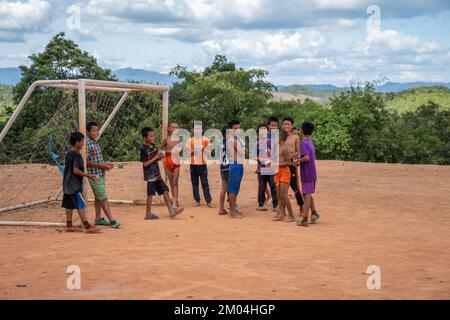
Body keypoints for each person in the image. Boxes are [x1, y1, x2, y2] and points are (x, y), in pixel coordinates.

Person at [140, 127, 184, 220]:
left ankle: (171, 211)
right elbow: (145, 163)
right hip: (150, 175)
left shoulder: (153, 146)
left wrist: (161, 156)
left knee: (165, 189)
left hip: (157, 173)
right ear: (145, 137)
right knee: (150, 194)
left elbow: (157, 157)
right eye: (151, 136)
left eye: (153, 136)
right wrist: (156, 157)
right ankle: (148, 214)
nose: (153, 138)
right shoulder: (143, 148)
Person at [62, 132, 99, 233]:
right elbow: (76, 170)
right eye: (82, 141)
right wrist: (89, 175)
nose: (83, 143)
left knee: (69, 204)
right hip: (74, 185)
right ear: (77, 142)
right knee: (80, 204)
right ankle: (87, 226)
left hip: (66, 184)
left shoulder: (69, 153)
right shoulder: (77, 154)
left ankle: (69, 225)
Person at [85, 122, 120, 228]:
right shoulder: (87, 143)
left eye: (97, 130)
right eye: (94, 131)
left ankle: (98, 218)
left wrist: (105, 164)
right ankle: (112, 220)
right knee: (103, 196)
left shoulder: (95, 142)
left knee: (98, 197)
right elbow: (85, 161)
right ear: (88, 132)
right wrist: (101, 166)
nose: (96, 132)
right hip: (93, 175)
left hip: (100, 173)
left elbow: (96, 159)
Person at [297, 121, 320, 227]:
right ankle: (314, 212)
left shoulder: (304, 143)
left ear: (301, 131)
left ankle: (305, 219)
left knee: (306, 195)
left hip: (307, 172)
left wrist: (296, 161)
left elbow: (306, 157)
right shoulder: (310, 142)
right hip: (311, 172)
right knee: (307, 193)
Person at [186, 122, 214, 207]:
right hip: (193, 164)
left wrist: (203, 149)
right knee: (194, 183)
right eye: (195, 129)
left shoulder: (205, 140)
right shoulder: (190, 140)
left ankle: (208, 201)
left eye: (199, 129)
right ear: (192, 130)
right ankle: (197, 200)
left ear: (202, 130)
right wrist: (195, 150)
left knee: (204, 182)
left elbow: (209, 153)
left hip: (202, 164)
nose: (197, 131)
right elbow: (187, 153)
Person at [281, 117, 304, 212]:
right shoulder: (280, 138)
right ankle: (282, 210)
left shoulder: (295, 137)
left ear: (292, 125)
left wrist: (289, 155)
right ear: (282, 125)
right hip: (282, 165)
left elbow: (298, 152)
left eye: (288, 124)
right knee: (282, 189)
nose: (286, 126)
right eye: (285, 124)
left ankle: (301, 206)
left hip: (291, 165)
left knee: (295, 187)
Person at [253, 123, 278, 212]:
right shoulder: (257, 144)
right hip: (261, 168)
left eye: (264, 130)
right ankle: (261, 204)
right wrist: (262, 160)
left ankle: (276, 205)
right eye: (261, 131)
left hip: (271, 168)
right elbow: (254, 156)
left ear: (268, 131)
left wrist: (271, 162)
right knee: (261, 187)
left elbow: (276, 154)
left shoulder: (273, 142)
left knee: (273, 186)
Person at [273, 130, 295, 222]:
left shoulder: (285, 149)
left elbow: (289, 163)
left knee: (284, 194)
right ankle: (281, 213)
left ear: (280, 138)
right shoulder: (278, 147)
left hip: (285, 172)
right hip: (278, 171)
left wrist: (277, 163)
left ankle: (291, 215)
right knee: (279, 194)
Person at [160, 121, 182, 208]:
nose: (175, 129)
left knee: (175, 182)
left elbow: (181, 153)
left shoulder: (180, 139)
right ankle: (174, 199)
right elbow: (160, 150)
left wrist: (180, 150)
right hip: (167, 161)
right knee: (171, 182)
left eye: (177, 128)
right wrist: (169, 152)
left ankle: (175, 202)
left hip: (176, 161)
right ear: (169, 129)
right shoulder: (166, 139)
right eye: (173, 127)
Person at [227, 119, 245, 218]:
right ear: (231, 129)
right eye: (235, 128)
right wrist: (243, 149)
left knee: (236, 188)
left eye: (239, 128)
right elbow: (242, 152)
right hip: (235, 164)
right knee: (233, 189)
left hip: (239, 164)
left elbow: (243, 151)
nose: (238, 130)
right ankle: (232, 212)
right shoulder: (232, 140)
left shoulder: (237, 139)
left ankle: (234, 209)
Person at [218, 125, 230, 215]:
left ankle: (221, 208)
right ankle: (232, 205)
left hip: (222, 167)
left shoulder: (220, 143)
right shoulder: (230, 143)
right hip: (229, 167)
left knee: (223, 188)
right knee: (231, 187)